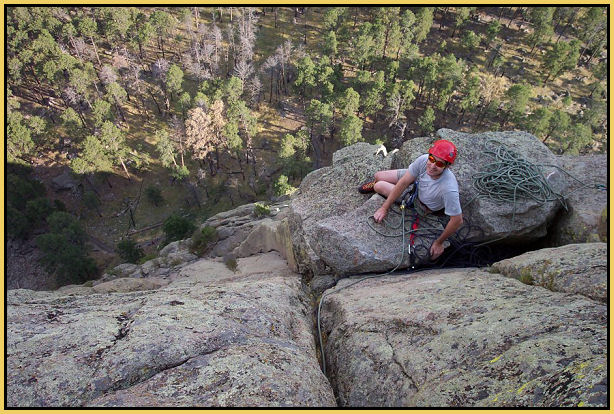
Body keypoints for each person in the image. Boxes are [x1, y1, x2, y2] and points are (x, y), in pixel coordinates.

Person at [358, 139, 463, 261]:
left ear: (447, 166)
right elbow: (403, 182)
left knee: (379, 186)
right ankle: (380, 181)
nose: (433, 165)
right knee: (378, 175)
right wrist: (384, 208)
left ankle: (377, 185)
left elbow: (457, 220)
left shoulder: (448, 189)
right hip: (419, 180)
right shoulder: (424, 161)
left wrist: (439, 242)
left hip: (420, 202)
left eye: (439, 164)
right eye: (432, 159)